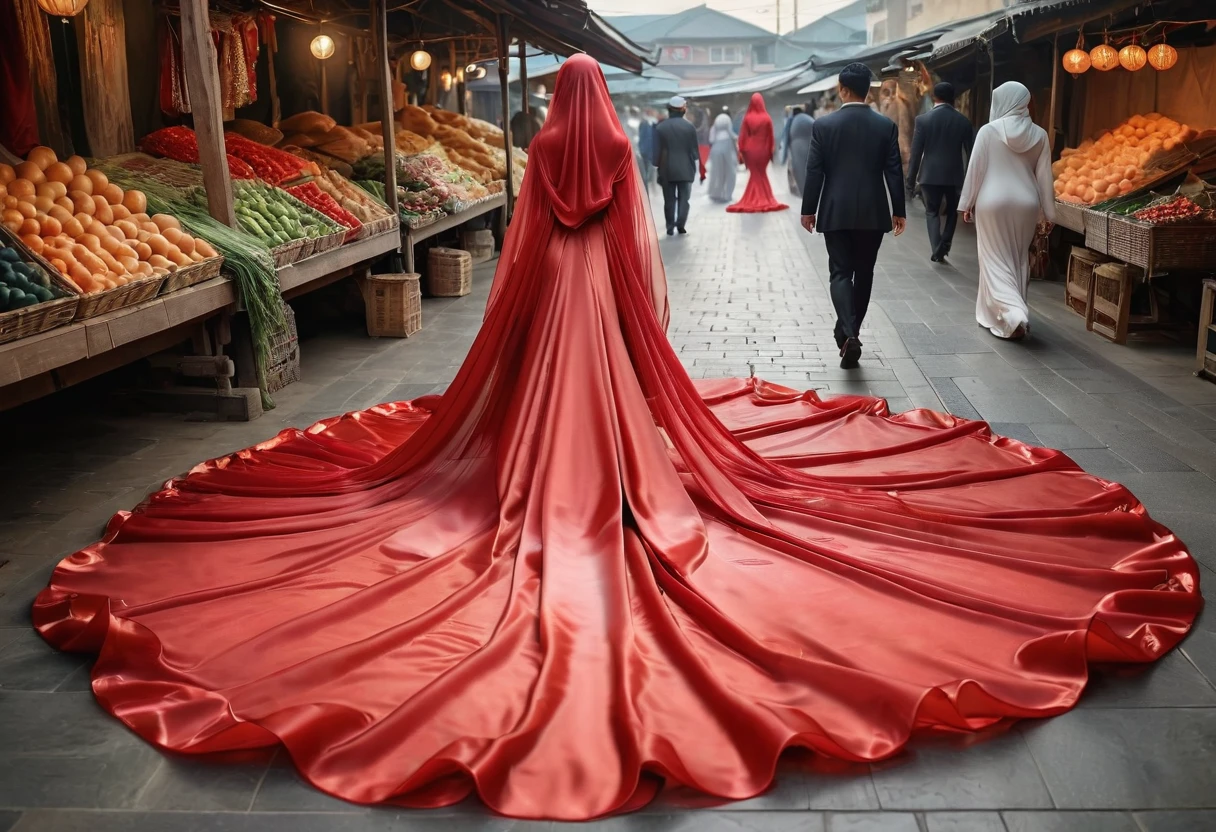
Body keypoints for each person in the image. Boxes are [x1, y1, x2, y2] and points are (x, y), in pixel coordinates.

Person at [32, 54, 1199, 823]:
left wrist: (515, 325)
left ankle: (544, 483)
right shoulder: (606, 156)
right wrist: (650, 314)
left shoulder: (543, 154)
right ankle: (636, 482)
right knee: (636, 420)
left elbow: (535, 242)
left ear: (557, 107)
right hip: (609, 300)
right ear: (612, 108)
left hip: (554, 301)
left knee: (538, 414)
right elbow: (633, 241)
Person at [800, 62, 906, 369]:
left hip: (835, 210)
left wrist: (809, 209)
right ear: (866, 90)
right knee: (865, 273)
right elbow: (894, 171)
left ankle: (848, 334)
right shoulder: (885, 126)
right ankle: (851, 333)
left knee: (840, 272)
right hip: (873, 212)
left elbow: (814, 170)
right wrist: (898, 210)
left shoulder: (824, 126)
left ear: (843, 89)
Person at [960, 81, 1056, 340]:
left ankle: (1014, 313)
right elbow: (1045, 178)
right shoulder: (1040, 135)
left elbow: (975, 170)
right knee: (1016, 259)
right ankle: (998, 314)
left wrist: (966, 203)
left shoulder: (988, 131)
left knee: (993, 260)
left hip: (992, 203)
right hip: (1026, 204)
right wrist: (1049, 213)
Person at [906, 82, 975, 262]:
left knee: (932, 211)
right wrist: (971, 180)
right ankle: (944, 244)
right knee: (952, 211)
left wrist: (910, 181)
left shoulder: (923, 120)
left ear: (935, 97)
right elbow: (972, 153)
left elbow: (916, 153)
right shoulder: (964, 122)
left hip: (929, 175)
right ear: (953, 99)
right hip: (954, 176)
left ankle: (937, 247)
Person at [726, 93, 788, 214]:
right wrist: (770, 152)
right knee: (761, 173)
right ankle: (763, 198)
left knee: (755, 174)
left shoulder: (747, 118)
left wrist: (742, 151)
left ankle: (754, 199)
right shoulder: (767, 118)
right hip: (763, 150)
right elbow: (770, 137)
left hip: (750, 150)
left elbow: (742, 137)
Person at [654, 94, 699, 235]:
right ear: (682, 110)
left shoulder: (660, 128)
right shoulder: (690, 128)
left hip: (666, 169)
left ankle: (669, 226)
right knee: (684, 199)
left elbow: (656, 152)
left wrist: (658, 167)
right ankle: (681, 223)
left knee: (669, 199)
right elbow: (695, 152)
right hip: (685, 168)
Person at [706, 112, 737, 203]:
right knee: (729, 172)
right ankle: (727, 194)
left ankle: (715, 193)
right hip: (727, 152)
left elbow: (711, 140)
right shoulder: (729, 134)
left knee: (717, 172)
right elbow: (733, 136)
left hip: (715, 151)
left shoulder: (713, 129)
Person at [784, 106, 815, 196]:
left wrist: (784, 155)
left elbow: (786, 137)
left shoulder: (791, 121)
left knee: (799, 170)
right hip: (812, 145)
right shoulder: (808, 118)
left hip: (796, 147)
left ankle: (803, 192)